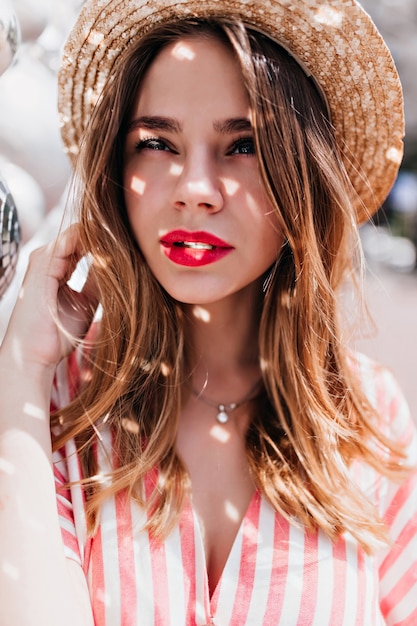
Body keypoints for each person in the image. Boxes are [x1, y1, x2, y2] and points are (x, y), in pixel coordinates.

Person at [0, 0, 416, 624]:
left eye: (243, 145)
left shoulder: (366, 418)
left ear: (300, 175)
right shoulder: (59, 406)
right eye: (157, 142)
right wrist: (19, 372)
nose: (194, 187)